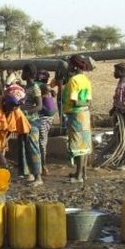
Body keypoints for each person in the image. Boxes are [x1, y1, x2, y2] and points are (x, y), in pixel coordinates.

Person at [62, 55, 92, 183]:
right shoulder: (86, 79)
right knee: (84, 144)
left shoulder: (74, 81)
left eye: (69, 64)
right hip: (85, 114)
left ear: (74, 66)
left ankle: (78, 176)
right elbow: (88, 101)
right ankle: (82, 174)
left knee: (78, 145)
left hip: (76, 115)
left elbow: (75, 102)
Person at [17, 64, 43, 185]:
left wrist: (25, 112)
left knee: (33, 148)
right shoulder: (25, 87)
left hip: (32, 121)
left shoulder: (35, 87)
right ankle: (30, 174)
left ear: (27, 73)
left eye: (23, 71)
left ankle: (38, 177)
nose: (21, 74)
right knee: (25, 148)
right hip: (24, 121)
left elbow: (39, 106)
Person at [37, 84, 57, 175]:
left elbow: (39, 108)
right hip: (49, 120)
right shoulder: (50, 96)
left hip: (43, 121)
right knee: (43, 142)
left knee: (41, 143)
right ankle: (42, 165)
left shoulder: (43, 97)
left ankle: (43, 166)